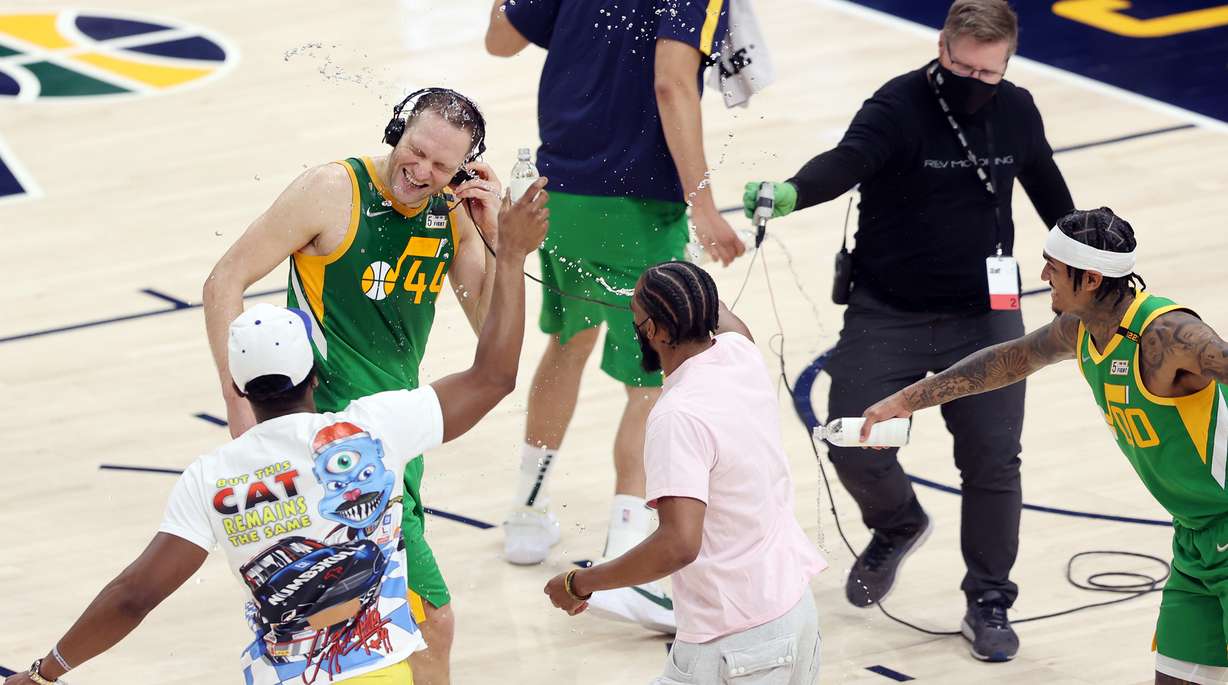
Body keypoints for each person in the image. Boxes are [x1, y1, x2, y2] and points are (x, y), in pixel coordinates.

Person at [4, 186, 548, 685]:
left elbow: (133, 596)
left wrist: (45, 671)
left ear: (239, 387)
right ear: (315, 373)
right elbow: (494, 375)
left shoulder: (210, 479)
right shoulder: (372, 429)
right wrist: (513, 252)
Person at [741, 0, 1074, 659]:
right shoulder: (897, 105)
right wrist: (789, 192)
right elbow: (847, 161)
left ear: (1006, 64)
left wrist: (1094, 271)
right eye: (960, 66)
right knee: (849, 439)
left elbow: (1051, 195)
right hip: (887, 308)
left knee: (993, 461)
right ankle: (897, 522)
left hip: (986, 314)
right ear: (941, 47)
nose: (973, 83)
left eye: (988, 74)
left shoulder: (1016, 110)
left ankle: (989, 601)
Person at [203, 88, 505, 683]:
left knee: (335, 636)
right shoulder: (331, 190)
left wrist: (497, 237)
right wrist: (239, 414)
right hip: (334, 449)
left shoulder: (453, 215)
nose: (421, 172)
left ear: (464, 169)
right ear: (397, 130)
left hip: (396, 441)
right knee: (427, 620)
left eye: (442, 167)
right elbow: (223, 283)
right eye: (415, 151)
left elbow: (491, 331)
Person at [859, 207, 1228, 680]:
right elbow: (1011, 359)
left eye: (1053, 269)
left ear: (1091, 279)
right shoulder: (1082, 329)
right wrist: (908, 400)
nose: (1042, 277)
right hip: (1195, 541)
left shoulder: (1169, 335)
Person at [484, 0, 745, 633]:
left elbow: (500, 40)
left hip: (564, 193)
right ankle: (627, 546)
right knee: (651, 382)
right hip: (636, 204)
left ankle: (526, 512)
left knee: (567, 344)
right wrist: (704, 206)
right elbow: (671, 81)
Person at [545, 261, 826, 683]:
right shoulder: (740, 352)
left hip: (737, 643)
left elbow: (678, 544)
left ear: (656, 331)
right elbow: (716, 307)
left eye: (635, 311)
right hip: (794, 614)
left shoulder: (677, 416)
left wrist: (580, 584)